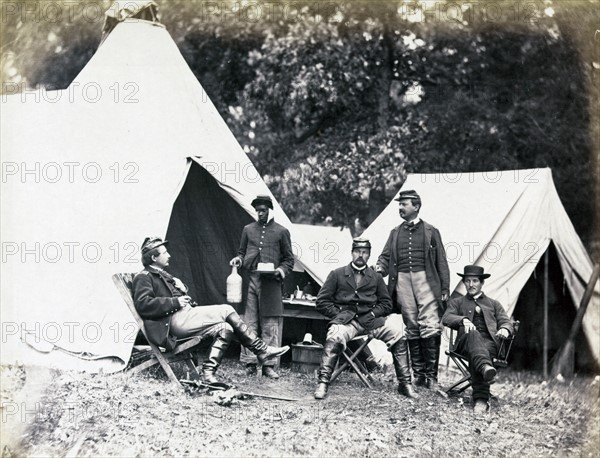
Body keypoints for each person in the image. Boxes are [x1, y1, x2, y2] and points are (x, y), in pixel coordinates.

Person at [132, 237, 289, 385]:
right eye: (165, 253)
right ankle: (261, 349)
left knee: (225, 328)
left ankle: (208, 374)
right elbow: (143, 304)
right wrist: (176, 301)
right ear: (153, 258)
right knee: (226, 309)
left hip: (184, 317)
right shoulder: (144, 277)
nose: (169, 255)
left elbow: (172, 296)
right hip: (172, 324)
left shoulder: (162, 274)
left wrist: (182, 289)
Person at [314, 237, 417, 400]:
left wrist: (374, 314)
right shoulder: (337, 274)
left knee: (398, 332)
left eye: (364, 252)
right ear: (351, 253)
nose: (360, 256)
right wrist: (339, 315)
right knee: (335, 333)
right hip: (347, 323)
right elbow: (321, 302)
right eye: (357, 252)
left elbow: (386, 303)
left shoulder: (375, 277)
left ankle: (405, 384)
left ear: (369, 255)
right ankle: (323, 382)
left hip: (372, 321)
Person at [376, 189, 450, 390]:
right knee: (412, 326)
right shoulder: (395, 232)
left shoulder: (431, 231)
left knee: (431, 326)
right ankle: (418, 376)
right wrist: (380, 267)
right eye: (399, 204)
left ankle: (431, 378)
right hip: (402, 282)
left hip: (426, 281)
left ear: (416, 206)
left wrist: (444, 287)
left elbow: (441, 261)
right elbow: (385, 257)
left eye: (404, 204)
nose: (400, 207)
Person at [229, 195, 295, 379]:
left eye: (263, 210)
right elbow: (242, 253)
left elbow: (289, 259)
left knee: (270, 324)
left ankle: (268, 365)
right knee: (248, 323)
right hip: (251, 280)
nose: (260, 213)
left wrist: (281, 271)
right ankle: (250, 363)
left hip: (271, 283)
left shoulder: (282, 232)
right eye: (257, 210)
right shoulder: (248, 229)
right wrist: (239, 260)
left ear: (270, 210)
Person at [442, 265, 514, 414]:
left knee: (483, 349)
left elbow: (506, 321)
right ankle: (482, 395)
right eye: (467, 281)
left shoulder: (494, 304)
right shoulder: (457, 302)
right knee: (474, 334)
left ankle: (484, 373)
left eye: (475, 281)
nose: (471, 284)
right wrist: (462, 320)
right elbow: (446, 318)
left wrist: (505, 329)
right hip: (465, 342)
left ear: (482, 283)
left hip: (490, 343)